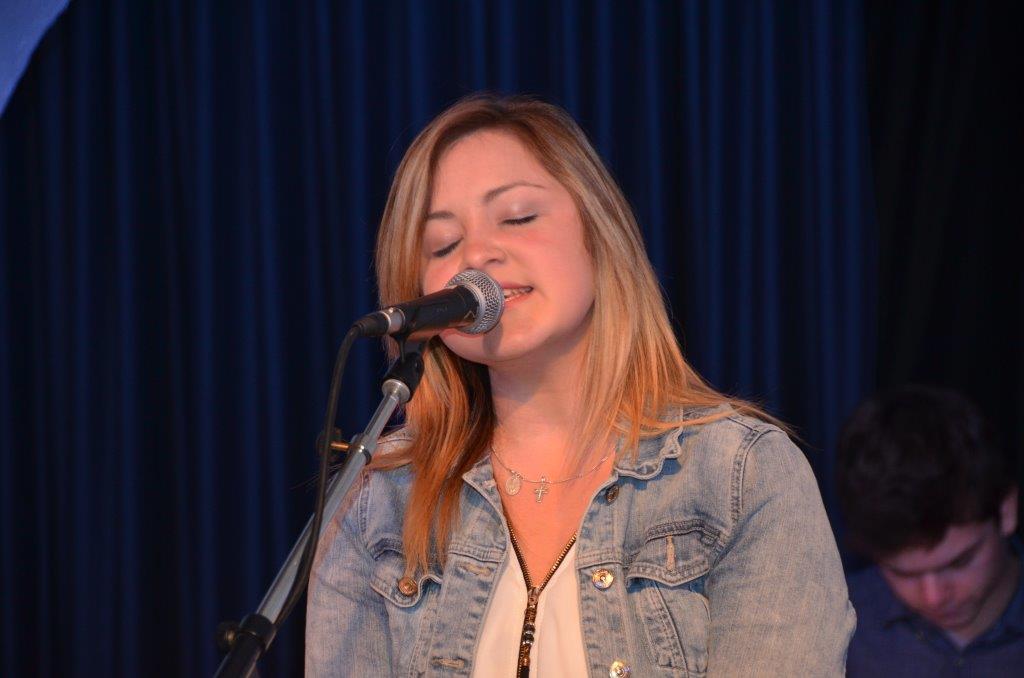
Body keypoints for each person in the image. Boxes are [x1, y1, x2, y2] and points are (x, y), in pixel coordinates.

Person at [306, 94, 854, 677]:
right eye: (442, 245)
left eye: (518, 216)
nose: (477, 255)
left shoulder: (739, 475)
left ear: (598, 232)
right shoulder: (376, 498)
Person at [838, 385, 1023, 676]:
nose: (934, 597)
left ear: (1007, 511)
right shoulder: (835, 619)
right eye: (903, 573)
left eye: (959, 562)